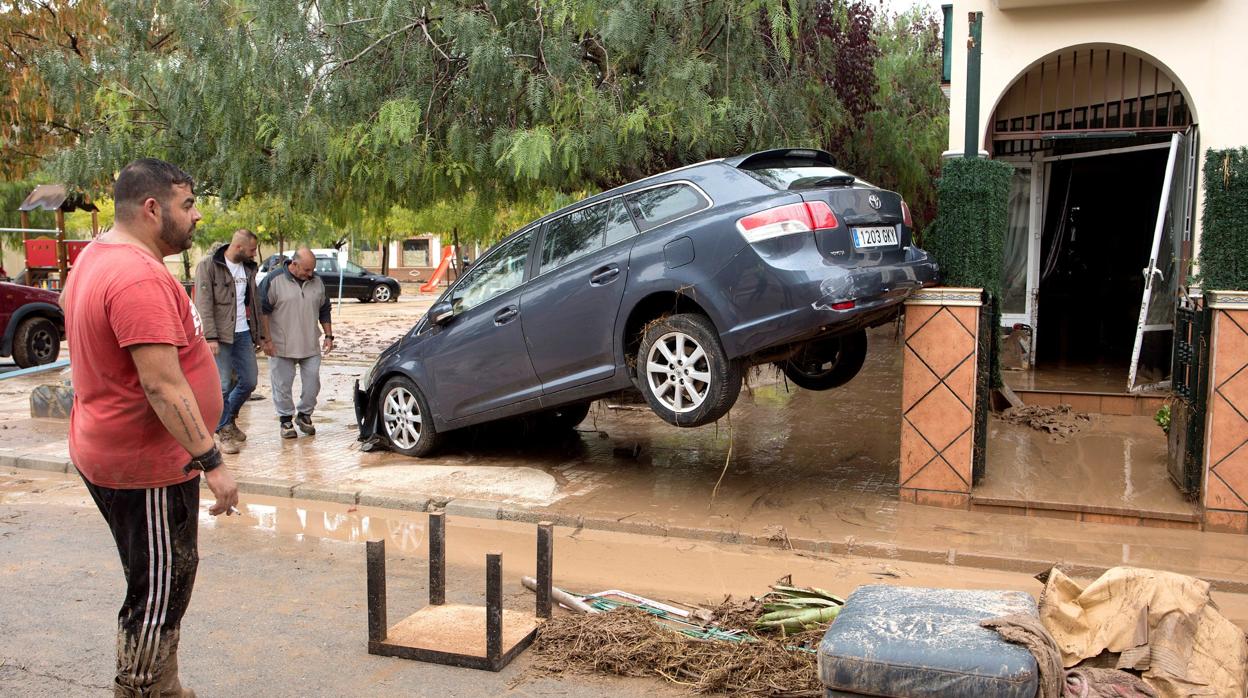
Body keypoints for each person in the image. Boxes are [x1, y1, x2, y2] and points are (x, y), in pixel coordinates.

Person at [60, 158, 239, 697]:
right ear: (152, 208)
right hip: (148, 470)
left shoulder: (96, 255)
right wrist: (213, 462)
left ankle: (165, 686)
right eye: (187, 205)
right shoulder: (137, 276)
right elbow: (162, 386)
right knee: (159, 592)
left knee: (155, 580)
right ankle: (141, 688)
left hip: (109, 449)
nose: (197, 216)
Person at [193, 228, 269, 454]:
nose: (255, 254)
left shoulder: (248, 268)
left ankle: (228, 419)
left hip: (243, 332)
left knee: (249, 381)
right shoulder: (208, 266)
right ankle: (223, 430)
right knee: (223, 385)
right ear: (239, 247)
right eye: (252, 250)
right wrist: (210, 336)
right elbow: (203, 302)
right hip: (220, 335)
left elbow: (253, 302)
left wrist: (258, 334)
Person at [258, 246, 333, 439]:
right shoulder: (273, 280)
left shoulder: (317, 282)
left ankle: (304, 415)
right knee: (282, 385)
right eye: (306, 270)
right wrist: (266, 340)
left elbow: (325, 309)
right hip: (281, 345)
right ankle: (285, 421)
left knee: (312, 384)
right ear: (294, 264)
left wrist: (328, 335)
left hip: (310, 344)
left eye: (312, 270)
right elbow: (262, 311)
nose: (310, 274)